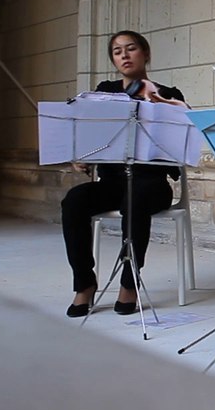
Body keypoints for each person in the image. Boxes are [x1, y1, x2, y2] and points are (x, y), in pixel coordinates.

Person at [61, 30, 188, 317]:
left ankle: (129, 283)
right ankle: (84, 284)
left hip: (152, 184)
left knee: (136, 198)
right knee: (74, 201)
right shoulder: (105, 91)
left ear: (145, 54)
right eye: (118, 51)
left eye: (131, 49)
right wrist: (81, 157)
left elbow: (182, 137)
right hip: (112, 183)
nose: (124, 55)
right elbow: (91, 134)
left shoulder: (169, 94)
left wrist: (158, 102)